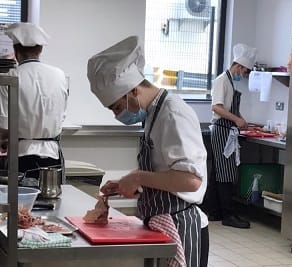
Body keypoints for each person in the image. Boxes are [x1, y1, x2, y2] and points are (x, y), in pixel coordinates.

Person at [87, 36, 209, 267]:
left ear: (132, 91)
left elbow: (191, 180)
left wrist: (138, 177)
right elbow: (165, 168)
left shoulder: (173, 113)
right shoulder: (154, 113)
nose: (117, 115)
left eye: (117, 107)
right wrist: (128, 181)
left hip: (181, 226)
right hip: (162, 222)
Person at [0, 22, 68, 184]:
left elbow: (3, 128)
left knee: (22, 205)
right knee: (51, 202)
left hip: (21, 157)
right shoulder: (59, 75)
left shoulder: (10, 77)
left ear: (15, 50)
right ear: (40, 49)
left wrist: (4, 141)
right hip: (53, 156)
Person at [210, 43, 257, 229]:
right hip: (221, 129)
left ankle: (215, 211)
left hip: (227, 130)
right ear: (238, 66)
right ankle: (228, 215)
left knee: (220, 173)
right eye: (245, 72)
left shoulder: (230, 81)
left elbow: (229, 108)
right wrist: (236, 120)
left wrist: (241, 119)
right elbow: (216, 107)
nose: (244, 75)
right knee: (225, 174)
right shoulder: (222, 80)